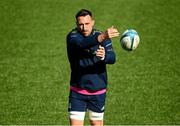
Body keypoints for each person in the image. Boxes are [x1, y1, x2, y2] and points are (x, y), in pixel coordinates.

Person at [66, 9, 119, 126]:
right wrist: (103, 36)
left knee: (96, 124)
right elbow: (82, 44)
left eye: (87, 23)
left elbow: (113, 58)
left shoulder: (102, 37)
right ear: (76, 24)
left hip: (98, 92)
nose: (84, 27)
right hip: (77, 92)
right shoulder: (72, 37)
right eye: (80, 24)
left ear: (93, 22)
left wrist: (104, 56)